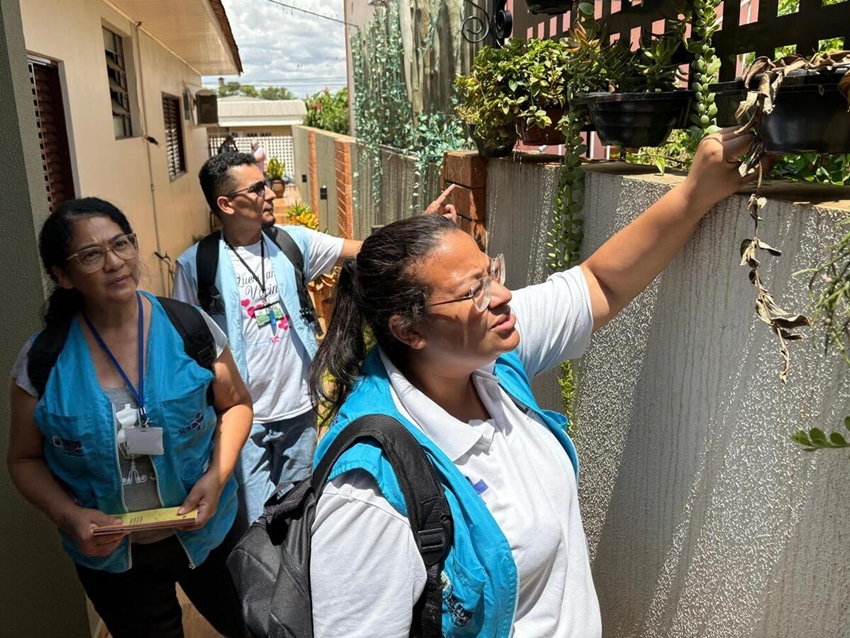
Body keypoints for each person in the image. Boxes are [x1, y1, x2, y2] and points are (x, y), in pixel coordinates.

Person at [307, 129, 770, 637]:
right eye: (475, 291)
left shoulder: (484, 355)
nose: (503, 295)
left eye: (491, 271)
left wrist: (697, 190)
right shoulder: (369, 492)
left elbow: (600, 283)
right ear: (409, 330)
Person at [7, 198, 253, 637]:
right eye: (91, 254)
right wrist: (68, 515)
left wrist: (217, 477)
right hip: (113, 561)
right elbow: (24, 459)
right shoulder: (44, 360)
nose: (114, 262)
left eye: (121, 244)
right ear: (63, 276)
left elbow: (235, 404)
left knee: (254, 627)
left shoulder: (188, 327)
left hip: (211, 531)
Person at [172, 152, 361, 533]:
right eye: (257, 188)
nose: (271, 193)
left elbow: (360, 248)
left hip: (299, 410)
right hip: (241, 421)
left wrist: (421, 227)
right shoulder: (196, 265)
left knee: (300, 517)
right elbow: (184, 349)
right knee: (255, 525)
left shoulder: (292, 243)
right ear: (226, 204)